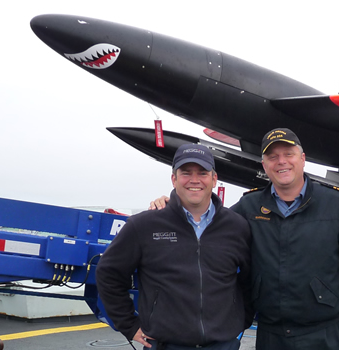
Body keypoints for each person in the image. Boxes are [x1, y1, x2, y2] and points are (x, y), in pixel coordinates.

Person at [151, 128, 339, 350]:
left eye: (288, 154)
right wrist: (174, 206)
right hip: (272, 335)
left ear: (302, 159)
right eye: (272, 156)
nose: (281, 162)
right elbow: (209, 222)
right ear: (264, 165)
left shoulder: (337, 205)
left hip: (328, 334)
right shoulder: (249, 206)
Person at [96, 143, 252, 350]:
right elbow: (109, 274)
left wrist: (240, 322)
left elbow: (250, 280)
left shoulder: (237, 226)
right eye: (186, 173)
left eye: (203, 173)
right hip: (166, 345)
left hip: (223, 345)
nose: (194, 180)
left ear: (214, 179)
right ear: (174, 179)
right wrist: (129, 325)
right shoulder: (143, 225)